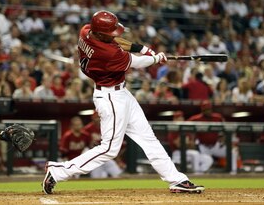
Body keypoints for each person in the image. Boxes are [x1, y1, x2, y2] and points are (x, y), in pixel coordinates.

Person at [42, 10, 204, 194]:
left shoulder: (86, 31)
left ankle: (177, 180)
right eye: (110, 32)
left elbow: (116, 41)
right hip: (110, 97)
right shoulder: (108, 54)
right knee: (109, 149)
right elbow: (136, 62)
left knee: (148, 138)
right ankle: (58, 171)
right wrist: (156, 58)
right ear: (101, 33)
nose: (114, 35)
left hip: (122, 94)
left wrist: (142, 48)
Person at [187, 100, 240, 174]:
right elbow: (185, 128)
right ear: (202, 110)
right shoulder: (195, 119)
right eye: (205, 109)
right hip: (203, 147)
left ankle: (233, 173)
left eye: (209, 109)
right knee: (207, 161)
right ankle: (199, 174)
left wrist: (224, 138)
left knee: (232, 153)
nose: (208, 111)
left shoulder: (217, 117)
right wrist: (191, 139)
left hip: (216, 145)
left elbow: (226, 129)